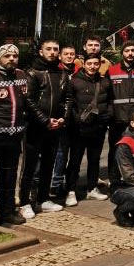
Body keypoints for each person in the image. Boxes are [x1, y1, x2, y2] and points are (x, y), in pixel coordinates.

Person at [0, 44, 56, 225]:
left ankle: (7, 213)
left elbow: (27, 101)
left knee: (8, 177)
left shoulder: (22, 76)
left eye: (14, 56)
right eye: (7, 55)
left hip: (14, 136)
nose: (11, 58)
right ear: (0, 57)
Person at [19, 39, 69, 219]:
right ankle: (24, 202)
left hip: (55, 126)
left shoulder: (62, 73)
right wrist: (45, 120)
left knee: (49, 163)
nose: (53, 52)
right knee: (29, 166)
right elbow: (28, 100)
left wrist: (63, 118)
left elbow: (67, 98)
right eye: (48, 49)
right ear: (41, 52)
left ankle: (43, 198)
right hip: (35, 126)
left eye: (56, 49)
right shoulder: (32, 73)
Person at [64, 53, 113, 207]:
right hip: (79, 129)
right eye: (90, 63)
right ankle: (70, 191)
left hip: (98, 127)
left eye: (96, 64)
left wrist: (109, 114)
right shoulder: (74, 81)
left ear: (99, 64)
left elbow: (111, 100)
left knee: (94, 159)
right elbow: (69, 102)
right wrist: (75, 119)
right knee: (75, 160)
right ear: (84, 63)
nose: (93, 66)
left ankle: (92, 188)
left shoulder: (105, 81)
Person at [108, 41, 134, 181]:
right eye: (127, 51)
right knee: (115, 150)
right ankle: (114, 180)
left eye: (133, 50)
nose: (130, 53)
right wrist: (110, 115)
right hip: (118, 119)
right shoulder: (112, 70)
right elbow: (108, 95)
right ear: (122, 53)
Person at [50, 44, 79, 200]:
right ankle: (55, 184)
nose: (69, 56)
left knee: (72, 155)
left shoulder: (79, 72)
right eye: (66, 54)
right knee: (59, 153)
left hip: (77, 118)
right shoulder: (56, 72)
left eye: (72, 54)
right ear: (60, 56)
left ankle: (68, 185)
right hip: (60, 118)